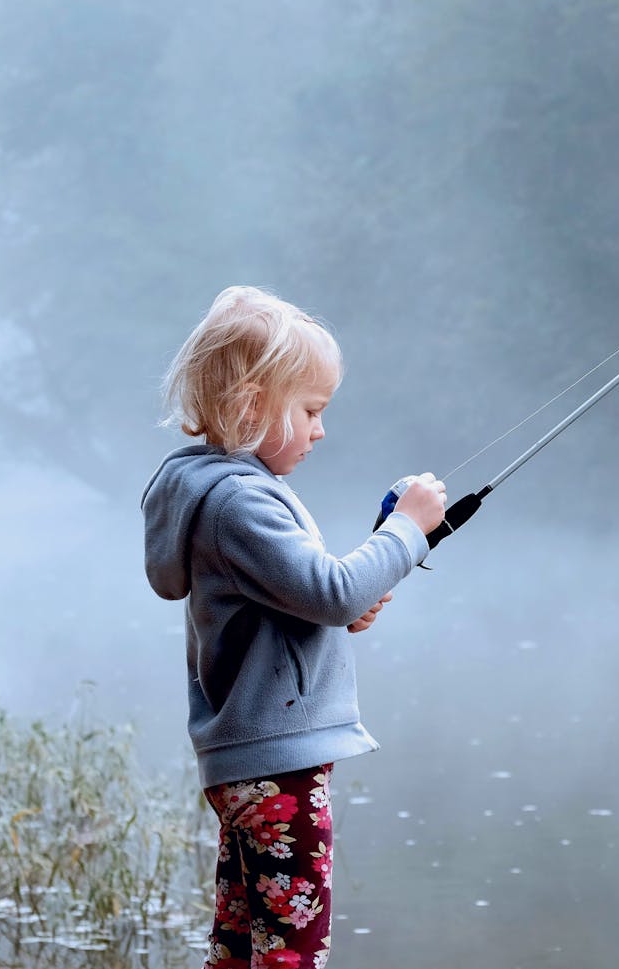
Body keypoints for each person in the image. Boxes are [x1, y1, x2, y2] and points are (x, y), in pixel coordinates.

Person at [141, 285, 448, 969]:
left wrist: (339, 616)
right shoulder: (239, 499)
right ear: (252, 403)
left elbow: (301, 599)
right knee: (293, 950)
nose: (320, 428)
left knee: (242, 938)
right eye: (311, 409)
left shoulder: (213, 490)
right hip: (278, 763)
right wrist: (407, 529)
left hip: (248, 760)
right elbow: (331, 589)